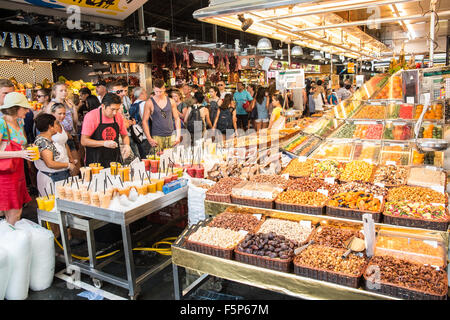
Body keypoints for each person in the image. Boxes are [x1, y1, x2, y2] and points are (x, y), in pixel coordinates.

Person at [0, 92, 35, 225]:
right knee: (13, 213)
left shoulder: (20, 121)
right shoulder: (2, 123)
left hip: (18, 171)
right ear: (16, 108)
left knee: (18, 211)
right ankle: (10, 242)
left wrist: (26, 152)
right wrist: (19, 154)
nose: (27, 111)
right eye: (24, 108)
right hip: (6, 174)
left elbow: (22, 144)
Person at [81, 93, 132, 168]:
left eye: (117, 109)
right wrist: (104, 143)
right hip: (95, 161)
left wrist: (127, 146)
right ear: (103, 106)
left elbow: (124, 136)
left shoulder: (118, 117)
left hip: (114, 159)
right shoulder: (91, 116)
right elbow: (84, 141)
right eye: (112, 109)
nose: (115, 113)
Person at [34, 113, 75, 196]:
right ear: (50, 126)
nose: (59, 126)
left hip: (60, 176)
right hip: (51, 178)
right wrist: (68, 165)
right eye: (57, 123)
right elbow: (50, 163)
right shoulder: (43, 142)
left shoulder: (50, 139)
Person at [47, 82, 80, 175]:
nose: (64, 92)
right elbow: (48, 123)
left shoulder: (67, 102)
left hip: (70, 135)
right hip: (58, 138)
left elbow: (75, 121)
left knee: (76, 163)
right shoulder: (52, 104)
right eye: (61, 90)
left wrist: (74, 107)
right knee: (68, 165)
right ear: (54, 92)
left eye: (65, 90)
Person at [142, 79, 181, 150]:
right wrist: (149, 138)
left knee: (172, 158)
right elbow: (144, 121)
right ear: (153, 89)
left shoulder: (171, 101)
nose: (159, 93)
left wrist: (178, 135)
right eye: (156, 91)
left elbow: (177, 118)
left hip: (171, 135)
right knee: (158, 159)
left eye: (160, 91)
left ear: (164, 89)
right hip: (157, 136)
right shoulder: (149, 102)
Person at [129, 87, 151, 158]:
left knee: (141, 156)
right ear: (141, 94)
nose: (146, 95)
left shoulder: (132, 105)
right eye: (145, 93)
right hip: (145, 134)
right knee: (148, 156)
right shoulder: (144, 104)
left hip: (136, 134)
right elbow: (147, 118)